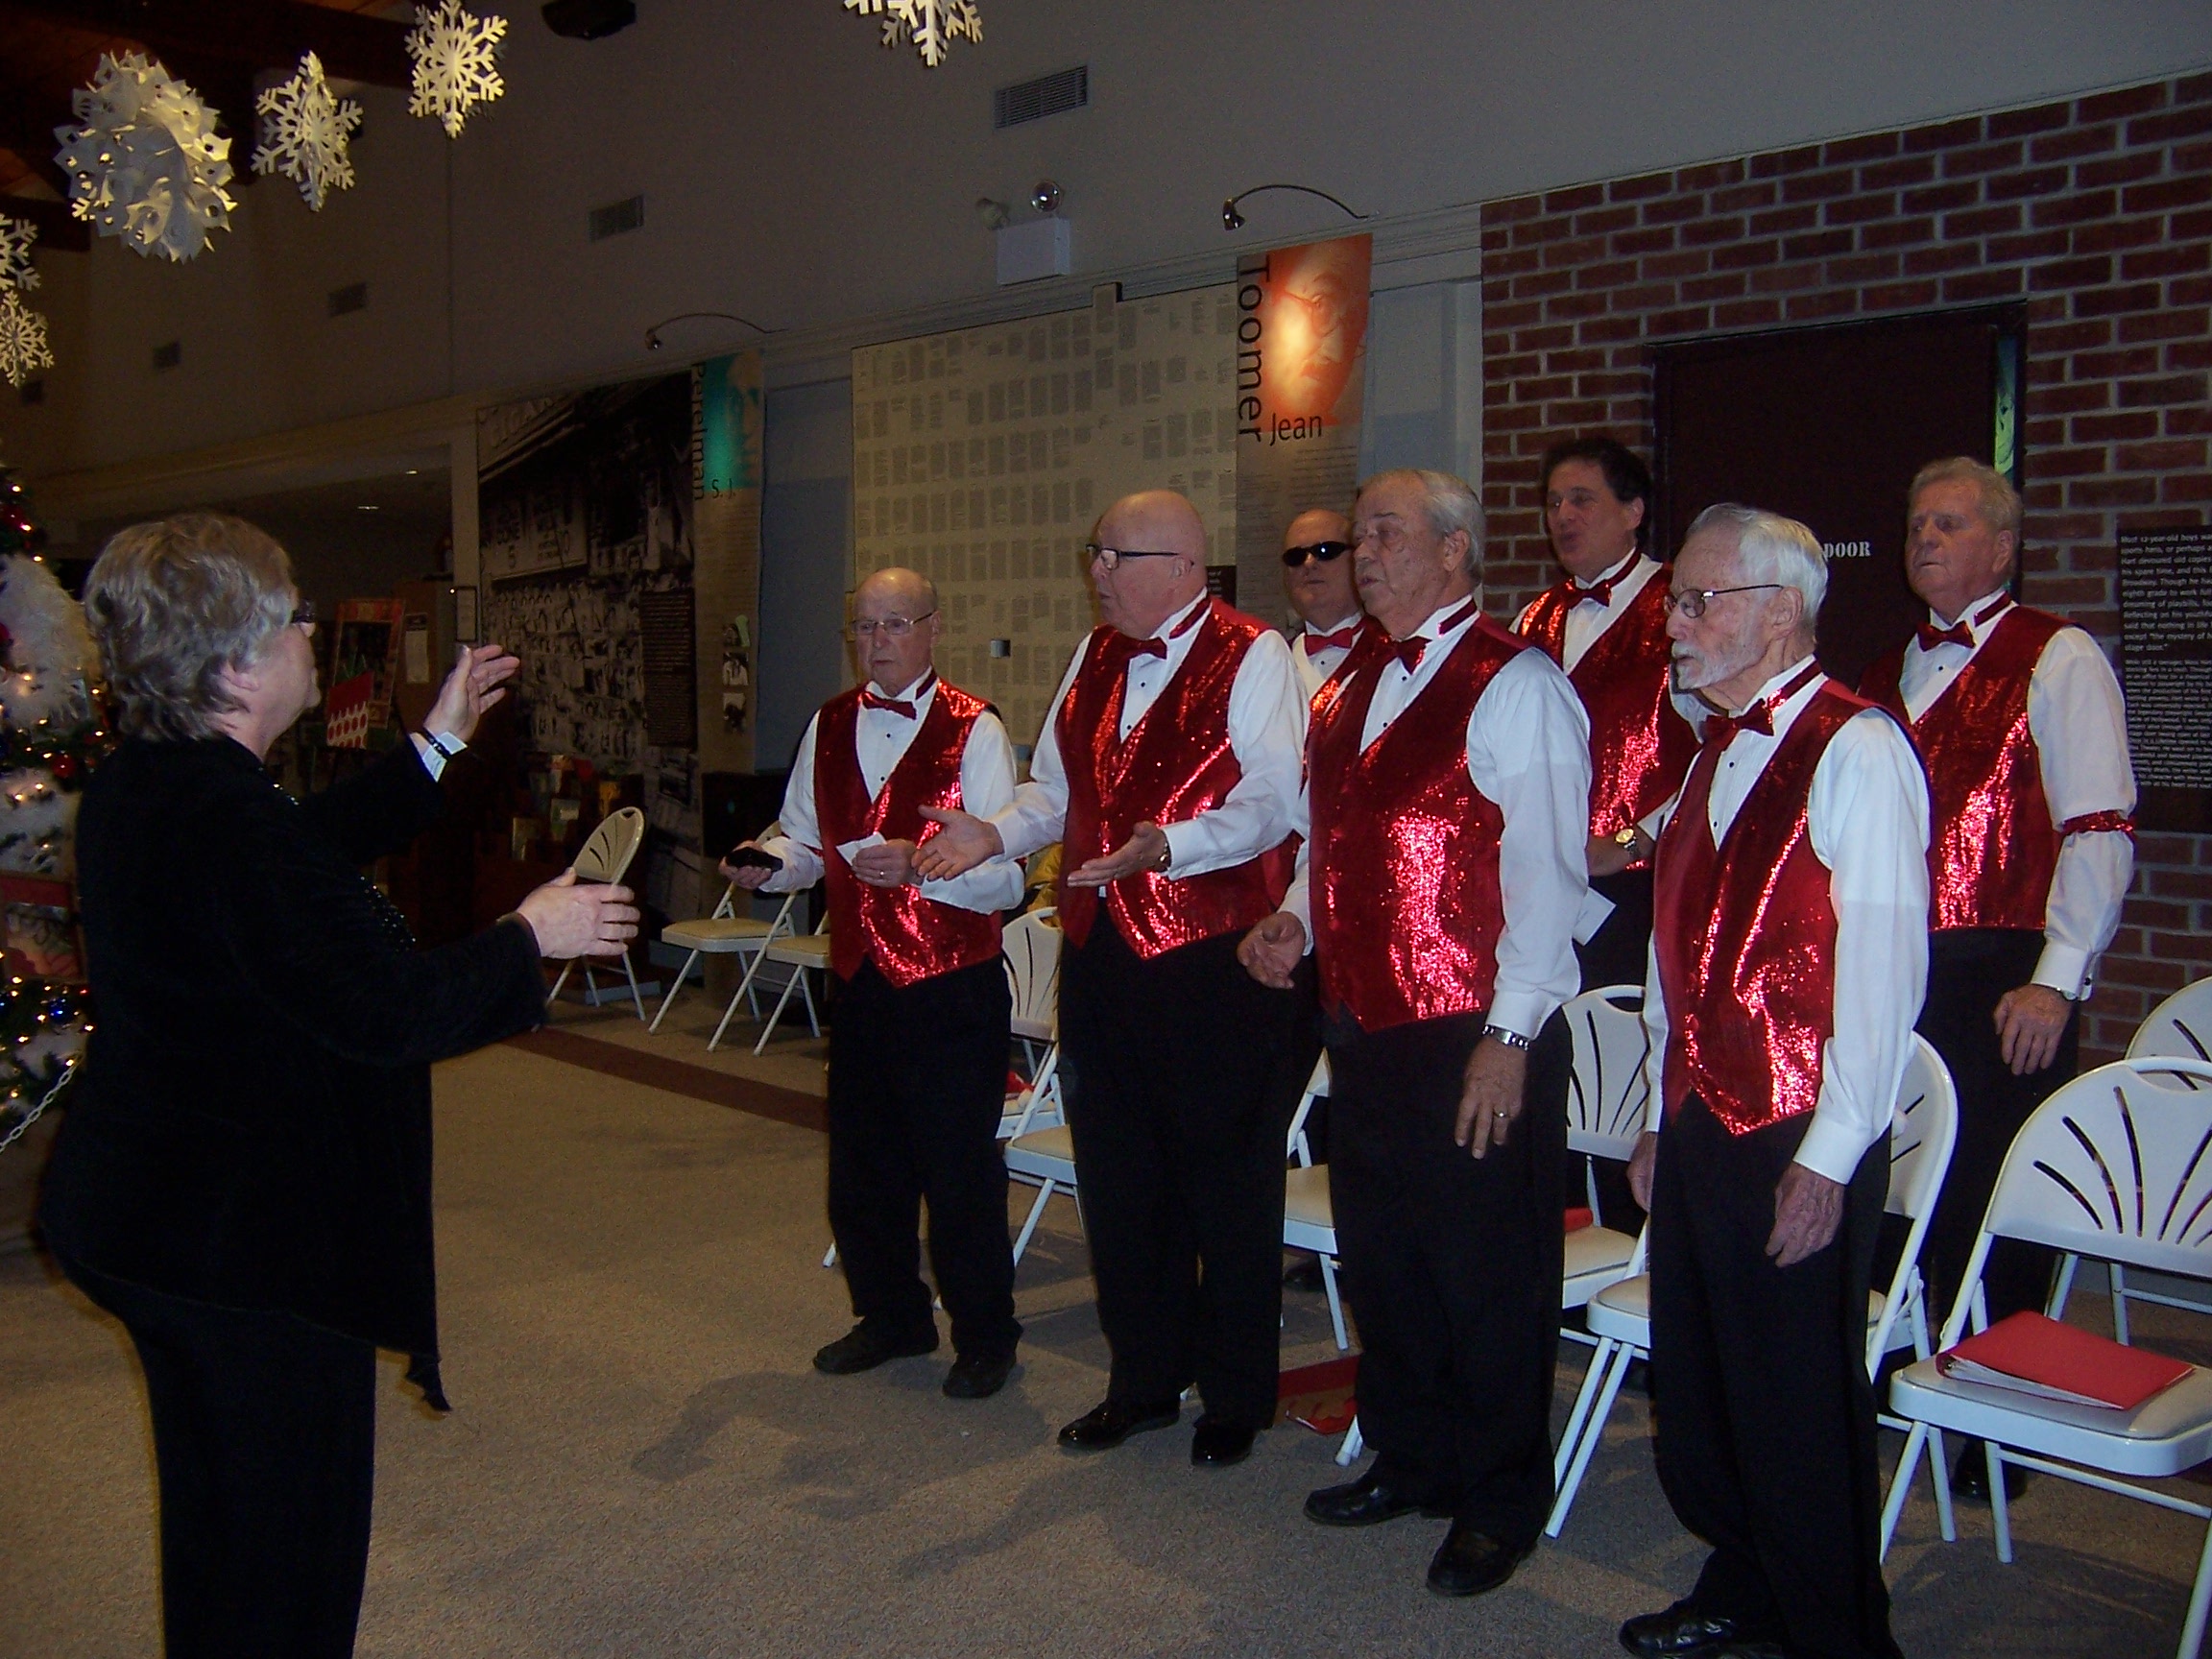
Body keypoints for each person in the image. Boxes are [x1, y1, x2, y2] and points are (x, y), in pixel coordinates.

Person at [37, 513, 637, 1659]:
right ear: (239, 661)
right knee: (287, 1553)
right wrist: (530, 933)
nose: (312, 630)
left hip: (153, 1215)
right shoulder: (221, 816)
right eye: (295, 615)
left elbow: (296, 856)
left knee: (221, 1519)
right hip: (245, 1250)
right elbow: (386, 1012)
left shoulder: (159, 785)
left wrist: (438, 743)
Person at [1240, 468, 1589, 1599]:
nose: (1360, 551)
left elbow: (1549, 875)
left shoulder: (1517, 684)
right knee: (1387, 1252)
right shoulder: (1345, 690)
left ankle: (1498, 1497)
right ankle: (1412, 1452)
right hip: (1365, 1021)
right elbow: (1320, 837)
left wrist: (1515, 1033)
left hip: (1474, 1026)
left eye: (1383, 533)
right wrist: (1291, 917)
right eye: (1357, 535)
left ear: (1453, 552)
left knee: (1487, 1269)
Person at [913, 490, 1306, 1469]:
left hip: (1209, 955)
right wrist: (994, 830)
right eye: (1094, 552)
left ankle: (1235, 1395)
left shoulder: (1253, 653)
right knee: (1121, 1180)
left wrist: (1171, 843)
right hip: (1102, 953)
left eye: (1109, 554)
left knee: (1225, 1181)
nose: (1094, 571)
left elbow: (1274, 799)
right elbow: (1055, 789)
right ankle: (1142, 1382)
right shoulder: (1095, 656)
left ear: (1178, 564)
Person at [1621, 505, 1927, 1659]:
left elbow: (1887, 971)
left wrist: (1832, 1158)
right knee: (1701, 1390)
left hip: (1800, 1123)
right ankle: (1745, 1580)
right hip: (1707, 1118)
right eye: (1676, 603)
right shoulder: (1708, 748)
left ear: (1782, 611)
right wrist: (1660, 1113)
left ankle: (1838, 1629)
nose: (1678, 623)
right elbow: (1674, 956)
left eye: (1699, 602)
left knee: (1799, 1403)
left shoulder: (1858, 747)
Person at [1860, 456, 2134, 1500]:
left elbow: (2099, 826)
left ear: (2004, 547)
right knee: (1891, 1176)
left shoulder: (2055, 657)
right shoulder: (1890, 670)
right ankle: (1897, 1371)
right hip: (1899, 968)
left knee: (1989, 1195)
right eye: (1917, 523)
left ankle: (2001, 1432)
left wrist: (2058, 978)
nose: (1925, 538)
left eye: (1951, 522)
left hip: (2003, 970)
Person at [722, 567, 1027, 1400]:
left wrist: (919, 873)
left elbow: (1009, 879)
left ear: (933, 628)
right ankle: (891, 1316)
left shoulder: (978, 730)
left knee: (959, 1170)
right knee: (864, 1167)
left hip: (951, 981)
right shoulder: (827, 725)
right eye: (865, 627)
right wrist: (768, 867)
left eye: (896, 625)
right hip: (859, 974)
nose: (878, 643)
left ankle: (987, 1336)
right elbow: (805, 842)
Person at [1515, 437, 1700, 993]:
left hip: (1643, 887)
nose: (1563, 517)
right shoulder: (1531, 620)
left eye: (1582, 500)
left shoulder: (1683, 610)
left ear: (1633, 512)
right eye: (1553, 503)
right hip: (1541, 890)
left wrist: (1633, 840)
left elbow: (1723, 748)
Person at [1280, 506, 1367, 699]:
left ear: (1358, 560)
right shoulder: (1271, 661)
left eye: (1325, 551)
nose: (1309, 563)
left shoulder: (1393, 651)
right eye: (1296, 557)